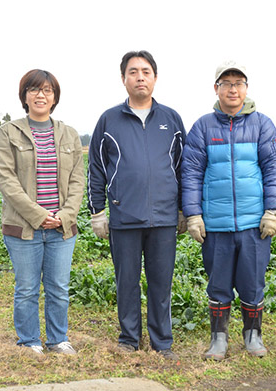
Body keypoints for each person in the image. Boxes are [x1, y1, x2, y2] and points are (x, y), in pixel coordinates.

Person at [181, 60, 276, 360]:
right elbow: (190, 173)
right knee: (219, 284)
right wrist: (193, 215)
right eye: (226, 83)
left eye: (238, 83)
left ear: (246, 88)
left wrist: (273, 211)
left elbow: (275, 168)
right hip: (216, 224)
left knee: (253, 282)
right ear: (216, 89)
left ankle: (253, 335)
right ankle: (219, 337)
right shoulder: (203, 126)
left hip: (255, 224)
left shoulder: (262, 124)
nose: (232, 89)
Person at [86, 50, 186, 360]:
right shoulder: (109, 120)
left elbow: (184, 168)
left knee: (161, 283)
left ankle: (162, 342)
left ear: (155, 77)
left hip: (164, 218)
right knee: (126, 281)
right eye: (133, 72)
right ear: (123, 79)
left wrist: (184, 209)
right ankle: (129, 339)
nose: (139, 76)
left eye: (145, 71)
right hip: (123, 216)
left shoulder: (171, 119)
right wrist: (98, 212)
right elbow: (96, 168)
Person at [0, 69, 85, 355]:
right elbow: (6, 179)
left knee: (58, 288)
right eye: (34, 89)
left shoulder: (69, 134)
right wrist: (37, 215)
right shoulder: (9, 131)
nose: (40, 95)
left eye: (47, 90)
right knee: (27, 288)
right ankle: (29, 341)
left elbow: (77, 180)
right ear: (25, 96)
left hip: (61, 228)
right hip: (24, 228)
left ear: (54, 97)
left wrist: (65, 215)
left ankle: (58, 340)